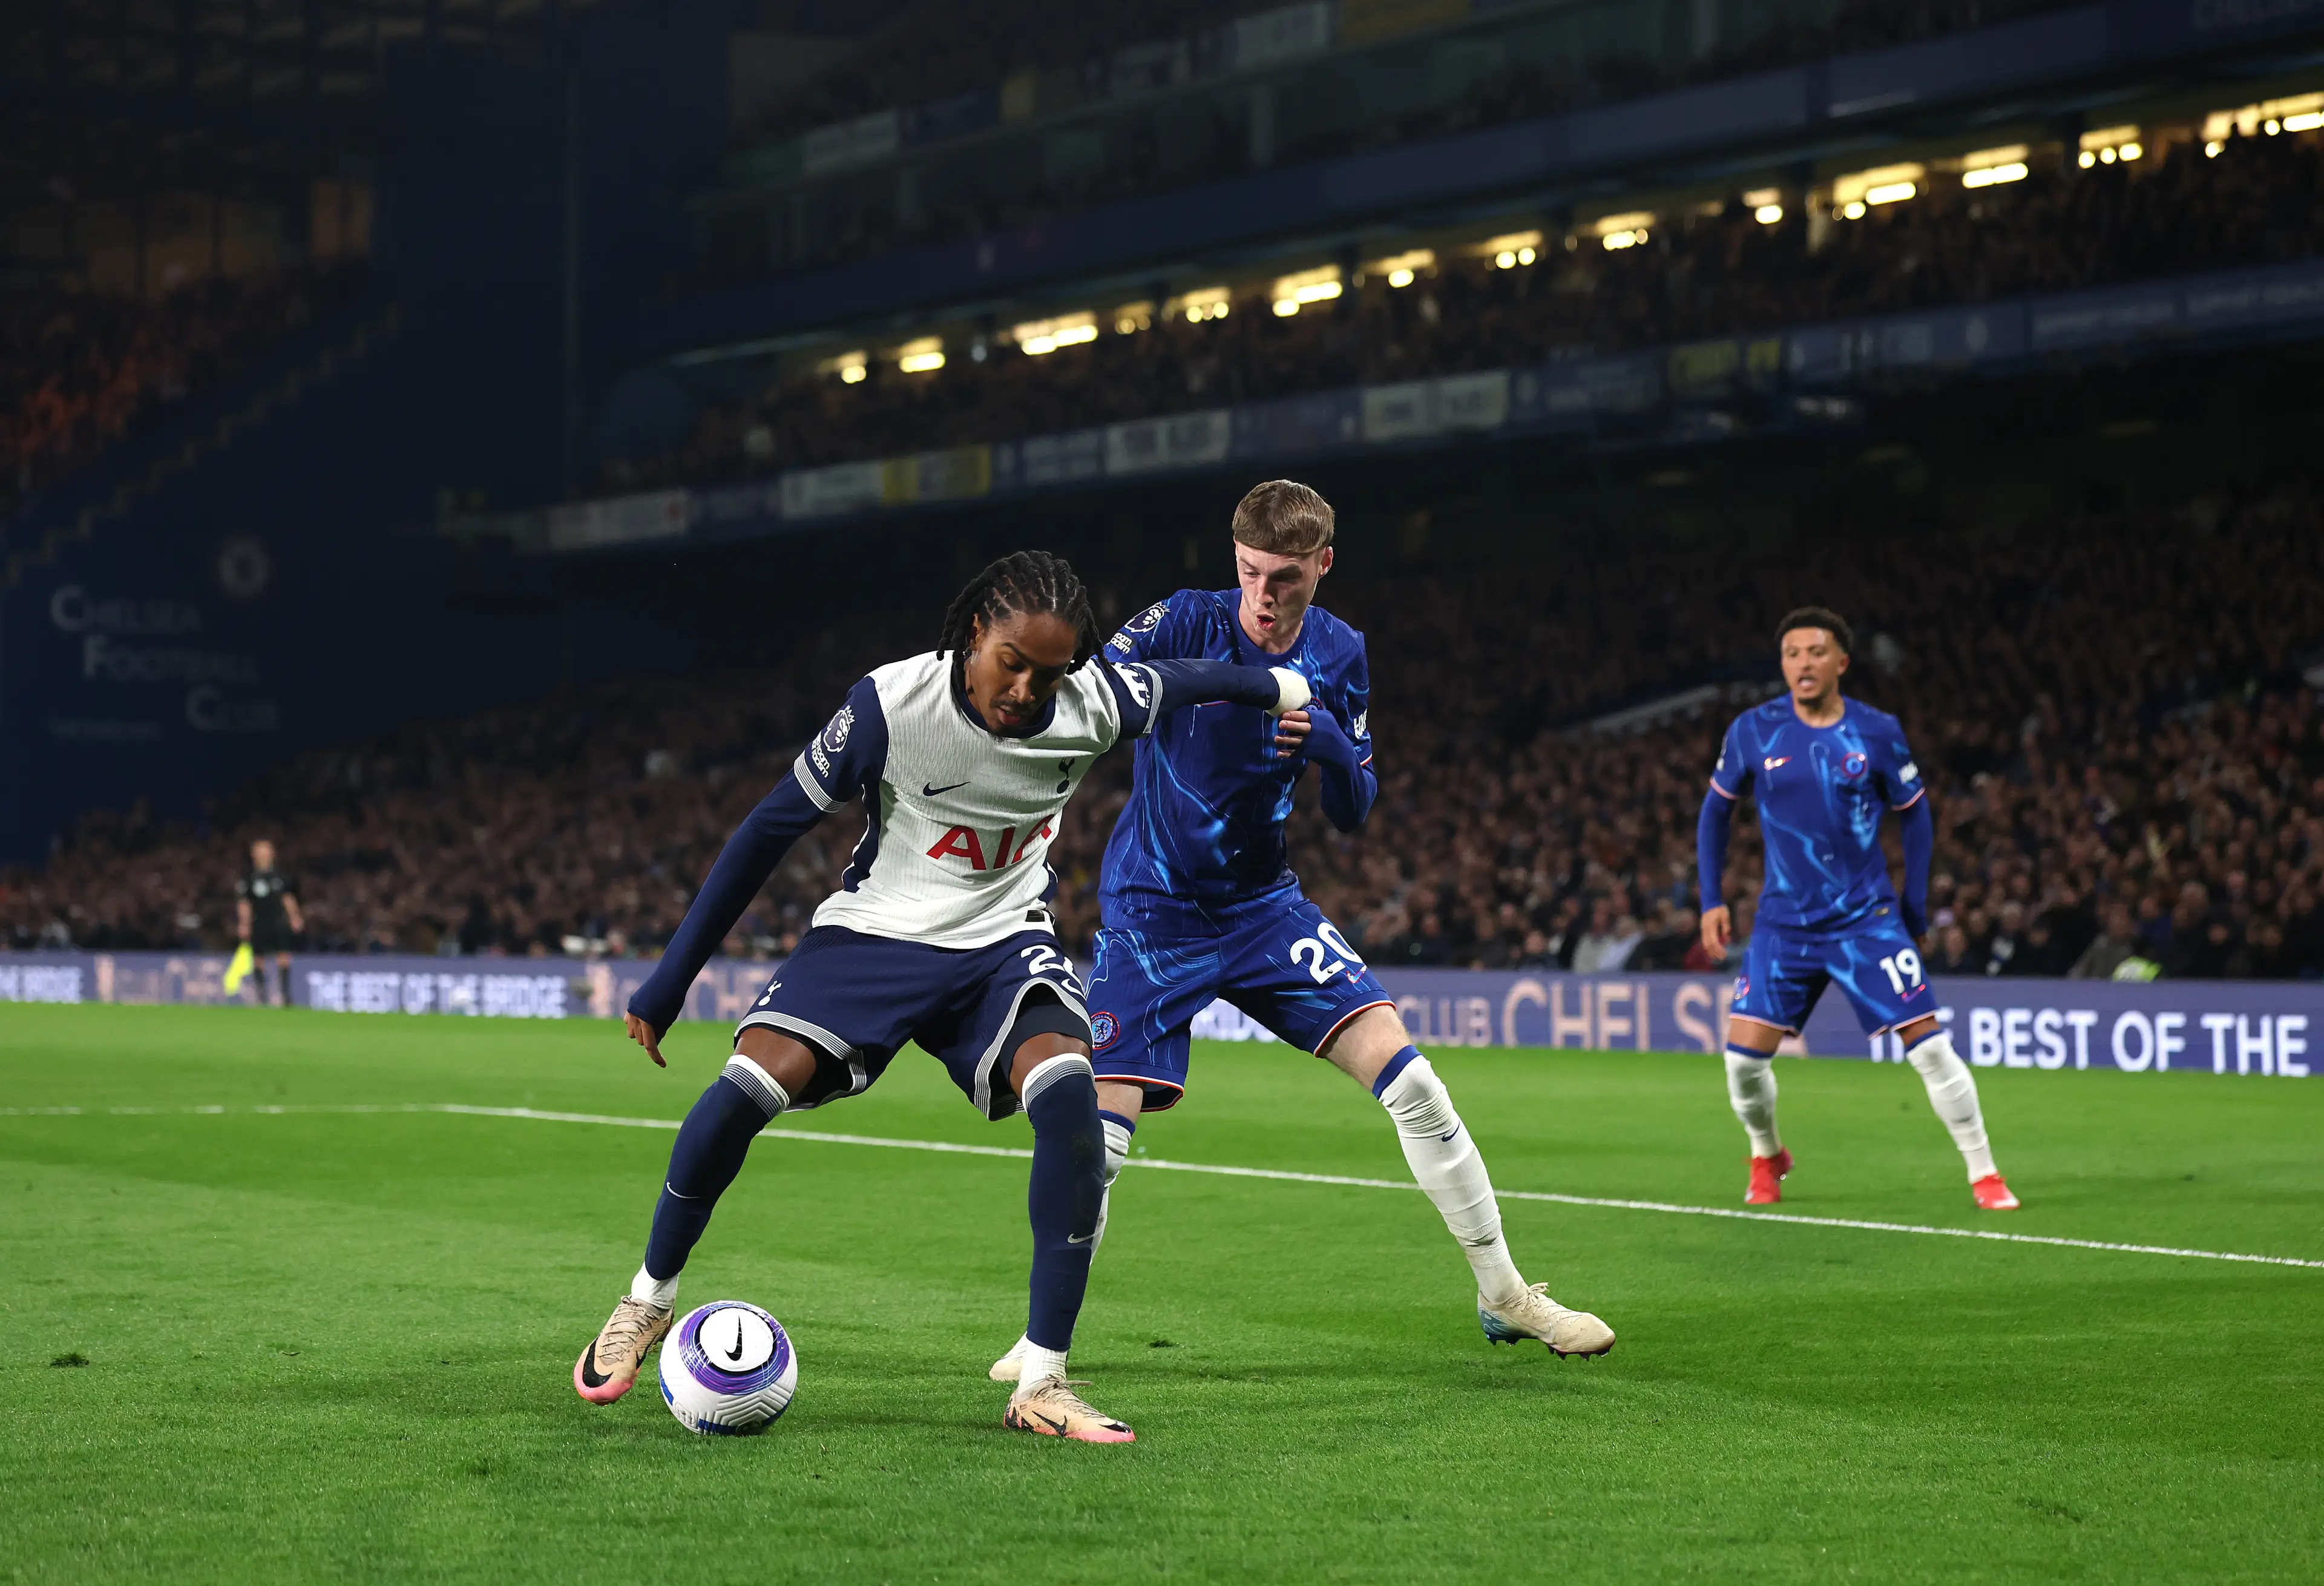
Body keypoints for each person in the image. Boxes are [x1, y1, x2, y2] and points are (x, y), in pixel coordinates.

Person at [570, 551, 1315, 1444]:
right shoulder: (890, 706)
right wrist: (670, 978)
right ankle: (648, 1299)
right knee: (745, 1089)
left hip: (1002, 943)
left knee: (1070, 1097)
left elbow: (1190, 680)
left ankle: (1043, 1379)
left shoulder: (1093, 704)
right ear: (974, 633)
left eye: (1051, 673)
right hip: (876, 932)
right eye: (1013, 663)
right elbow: (769, 829)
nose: (1028, 690)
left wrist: (1283, 687)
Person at [989, 481, 1614, 1383]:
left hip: (1264, 908)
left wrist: (1330, 746)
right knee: (1101, 1140)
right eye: (1250, 572)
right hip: (1154, 909)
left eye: (1284, 577)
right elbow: (1085, 699)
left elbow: (1356, 807)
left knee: (1416, 1084)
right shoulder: (1182, 619)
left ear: (1323, 564)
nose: (1264, 595)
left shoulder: (1340, 650)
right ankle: (1043, 1338)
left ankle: (1505, 1293)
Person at [1698, 608, 2018, 1211]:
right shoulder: (1754, 729)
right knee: (1742, 1064)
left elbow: (1915, 813)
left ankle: (1985, 1172)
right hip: (1785, 925)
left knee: (1930, 1047)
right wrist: (1711, 899)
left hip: (1865, 920)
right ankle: (1767, 1155)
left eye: (1816, 652)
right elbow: (1715, 810)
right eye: (1792, 654)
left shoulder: (1876, 731)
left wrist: (1914, 902)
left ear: (1841, 662)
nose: (1803, 663)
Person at [234, 840, 304, 1006]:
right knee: (258, 958)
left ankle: (286, 996)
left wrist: (295, 917)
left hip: (278, 921)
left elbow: (288, 898)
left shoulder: (280, 877)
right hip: (259, 922)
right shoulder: (249, 879)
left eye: (266, 851)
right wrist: (244, 924)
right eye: (260, 851)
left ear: (272, 853)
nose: (263, 854)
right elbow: (244, 903)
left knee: (283, 956)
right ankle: (262, 997)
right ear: (253, 854)